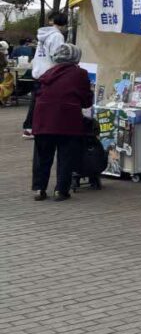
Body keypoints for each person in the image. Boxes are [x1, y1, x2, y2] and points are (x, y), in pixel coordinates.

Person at [31, 43, 93, 201]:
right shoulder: (80, 74)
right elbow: (86, 101)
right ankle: (61, 190)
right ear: (75, 57)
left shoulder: (47, 72)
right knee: (66, 156)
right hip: (67, 120)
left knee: (42, 156)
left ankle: (39, 189)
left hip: (42, 119)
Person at [24, 13, 67, 137]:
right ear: (63, 24)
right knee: (43, 103)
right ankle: (34, 128)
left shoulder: (43, 35)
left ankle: (29, 127)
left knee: (36, 101)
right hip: (49, 74)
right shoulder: (57, 36)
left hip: (38, 72)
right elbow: (57, 56)